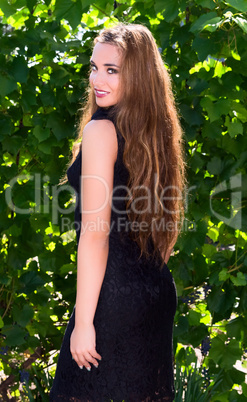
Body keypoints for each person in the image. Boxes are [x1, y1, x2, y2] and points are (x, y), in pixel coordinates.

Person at [50, 22, 185, 402]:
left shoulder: (100, 132)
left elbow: (95, 233)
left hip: (113, 300)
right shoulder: (157, 134)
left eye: (112, 70)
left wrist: (84, 322)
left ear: (138, 77)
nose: (97, 79)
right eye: (94, 67)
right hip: (155, 292)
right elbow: (165, 223)